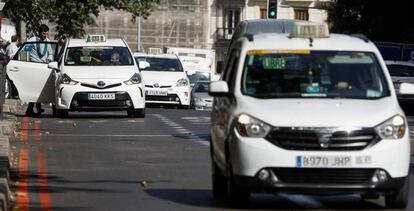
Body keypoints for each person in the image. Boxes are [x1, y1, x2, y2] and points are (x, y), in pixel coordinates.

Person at [25, 24, 53, 116]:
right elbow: (25, 52)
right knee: (35, 88)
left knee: (39, 89)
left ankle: (32, 109)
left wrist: (49, 59)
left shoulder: (48, 41)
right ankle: (36, 109)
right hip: (34, 65)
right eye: (43, 33)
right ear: (39, 32)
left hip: (44, 66)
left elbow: (50, 53)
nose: (45, 35)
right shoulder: (32, 41)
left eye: (46, 33)